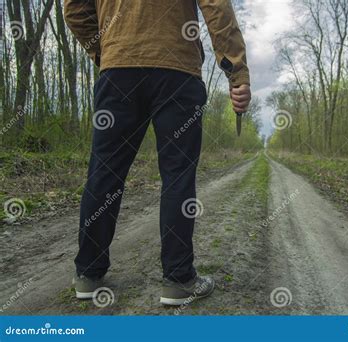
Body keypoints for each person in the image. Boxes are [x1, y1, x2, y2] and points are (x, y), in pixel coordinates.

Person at [64, 0, 251, 306]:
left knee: (104, 172)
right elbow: (217, 7)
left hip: (118, 70)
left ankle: (88, 274)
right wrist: (237, 72)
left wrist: (104, 49)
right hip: (177, 71)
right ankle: (178, 280)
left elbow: (73, 9)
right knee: (178, 175)